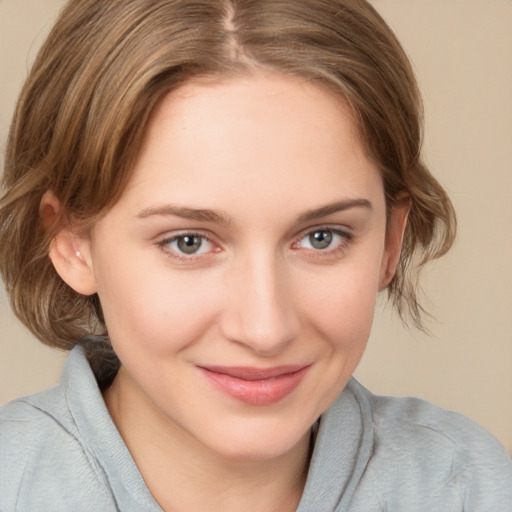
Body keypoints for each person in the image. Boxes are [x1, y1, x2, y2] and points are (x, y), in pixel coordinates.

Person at [0, 0, 511, 510]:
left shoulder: (466, 488)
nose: (265, 330)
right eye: (188, 242)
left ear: (390, 241)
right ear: (73, 241)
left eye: (322, 237)